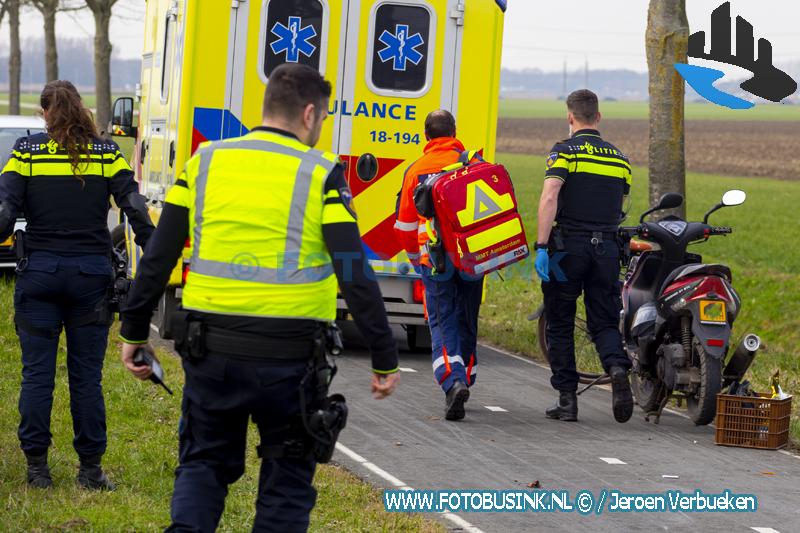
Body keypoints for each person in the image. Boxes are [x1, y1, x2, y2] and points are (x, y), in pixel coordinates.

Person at [119, 63, 400, 532]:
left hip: (212, 352)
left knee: (203, 464)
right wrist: (384, 355)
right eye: (323, 118)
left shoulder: (204, 162)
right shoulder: (322, 173)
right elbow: (353, 271)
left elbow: (159, 255)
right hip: (291, 361)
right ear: (309, 114)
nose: (320, 127)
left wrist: (133, 331)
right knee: (287, 481)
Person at [0, 80, 154, 489]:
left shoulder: (26, 153)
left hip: (39, 276)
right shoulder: (106, 153)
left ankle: (37, 469)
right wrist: (154, 252)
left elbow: (5, 213)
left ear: (45, 113)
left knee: (37, 375)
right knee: (86, 377)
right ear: (81, 108)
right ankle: (90, 470)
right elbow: (134, 206)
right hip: (90, 278)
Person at [534, 89, 633, 424]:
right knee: (604, 319)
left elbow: (550, 197)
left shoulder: (564, 152)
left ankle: (567, 400)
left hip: (568, 248)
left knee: (560, 320)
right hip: (606, 250)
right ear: (598, 116)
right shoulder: (619, 158)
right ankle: (617, 368)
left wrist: (541, 246)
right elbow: (619, 204)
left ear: (570, 117)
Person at [394, 110, 482, 421]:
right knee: (466, 318)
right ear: (454, 133)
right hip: (472, 259)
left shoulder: (416, 170)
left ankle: (453, 380)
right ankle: (465, 376)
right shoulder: (474, 162)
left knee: (443, 321)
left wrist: (414, 256)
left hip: (435, 260)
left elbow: (405, 226)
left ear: (426, 136)